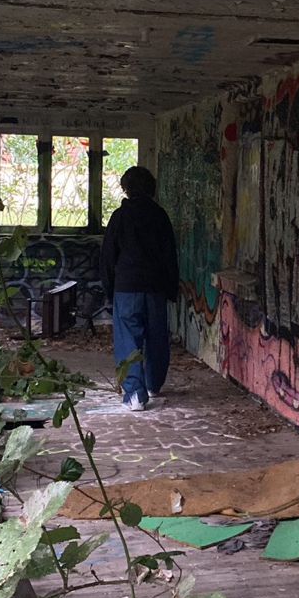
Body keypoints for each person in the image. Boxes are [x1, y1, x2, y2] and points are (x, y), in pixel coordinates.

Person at [100, 166, 179, 413]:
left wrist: (109, 288)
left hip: (126, 287)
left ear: (127, 188)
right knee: (156, 336)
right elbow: (170, 255)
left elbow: (108, 257)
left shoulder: (119, 217)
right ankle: (154, 384)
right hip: (155, 287)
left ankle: (135, 394)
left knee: (128, 339)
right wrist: (171, 288)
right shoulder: (160, 216)